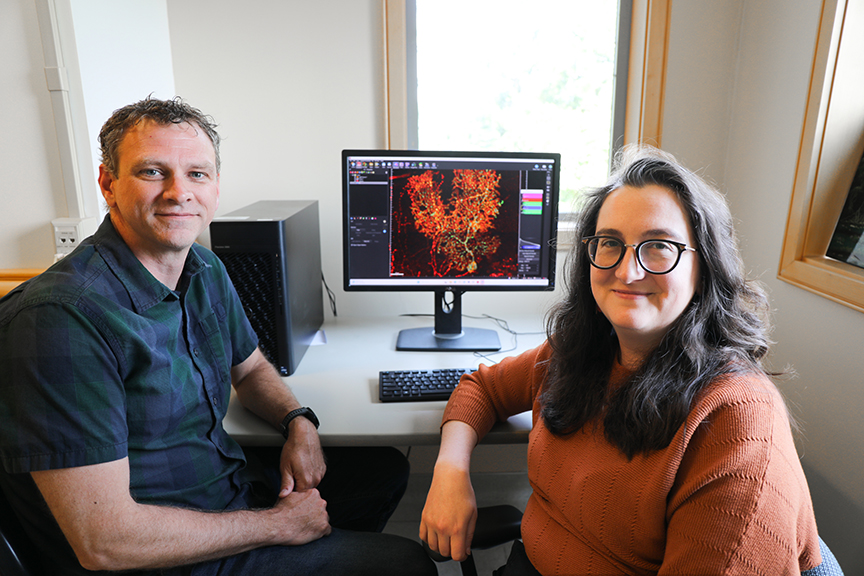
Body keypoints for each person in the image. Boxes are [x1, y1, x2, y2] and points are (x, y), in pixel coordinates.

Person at [0, 97, 436, 576]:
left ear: (215, 187)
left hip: (224, 489)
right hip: (159, 553)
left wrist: (297, 422)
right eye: (152, 172)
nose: (178, 192)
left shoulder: (204, 268)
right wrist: (276, 526)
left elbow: (249, 369)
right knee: (406, 564)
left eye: (197, 174)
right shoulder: (60, 320)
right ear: (108, 183)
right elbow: (105, 542)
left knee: (384, 471)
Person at [420, 145, 823, 575]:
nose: (628, 272)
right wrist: (449, 471)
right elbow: (481, 388)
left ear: (703, 267)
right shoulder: (580, 350)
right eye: (610, 242)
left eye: (659, 247)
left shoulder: (736, 422)